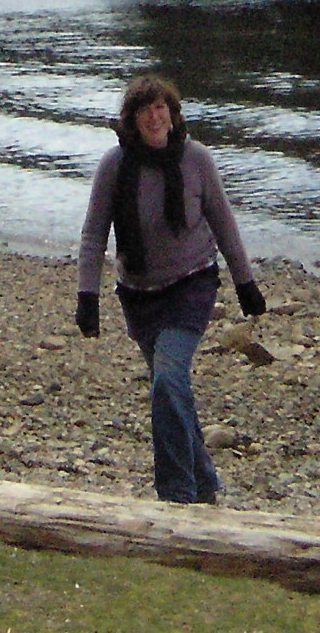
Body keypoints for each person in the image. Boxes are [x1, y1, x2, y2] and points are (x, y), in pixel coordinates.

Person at [74, 73, 266, 504]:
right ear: (133, 119)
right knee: (172, 388)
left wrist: (245, 283)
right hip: (139, 295)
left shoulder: (197, 159)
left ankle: (176, 494)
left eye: (161, 107)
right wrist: (87, 297)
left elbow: (224, 222)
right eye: (145, 110)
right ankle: (205, 487)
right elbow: (93, 234)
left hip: (191, 285)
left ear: (173, 113)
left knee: (167, 380)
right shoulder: (115, 165)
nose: (154, 116)